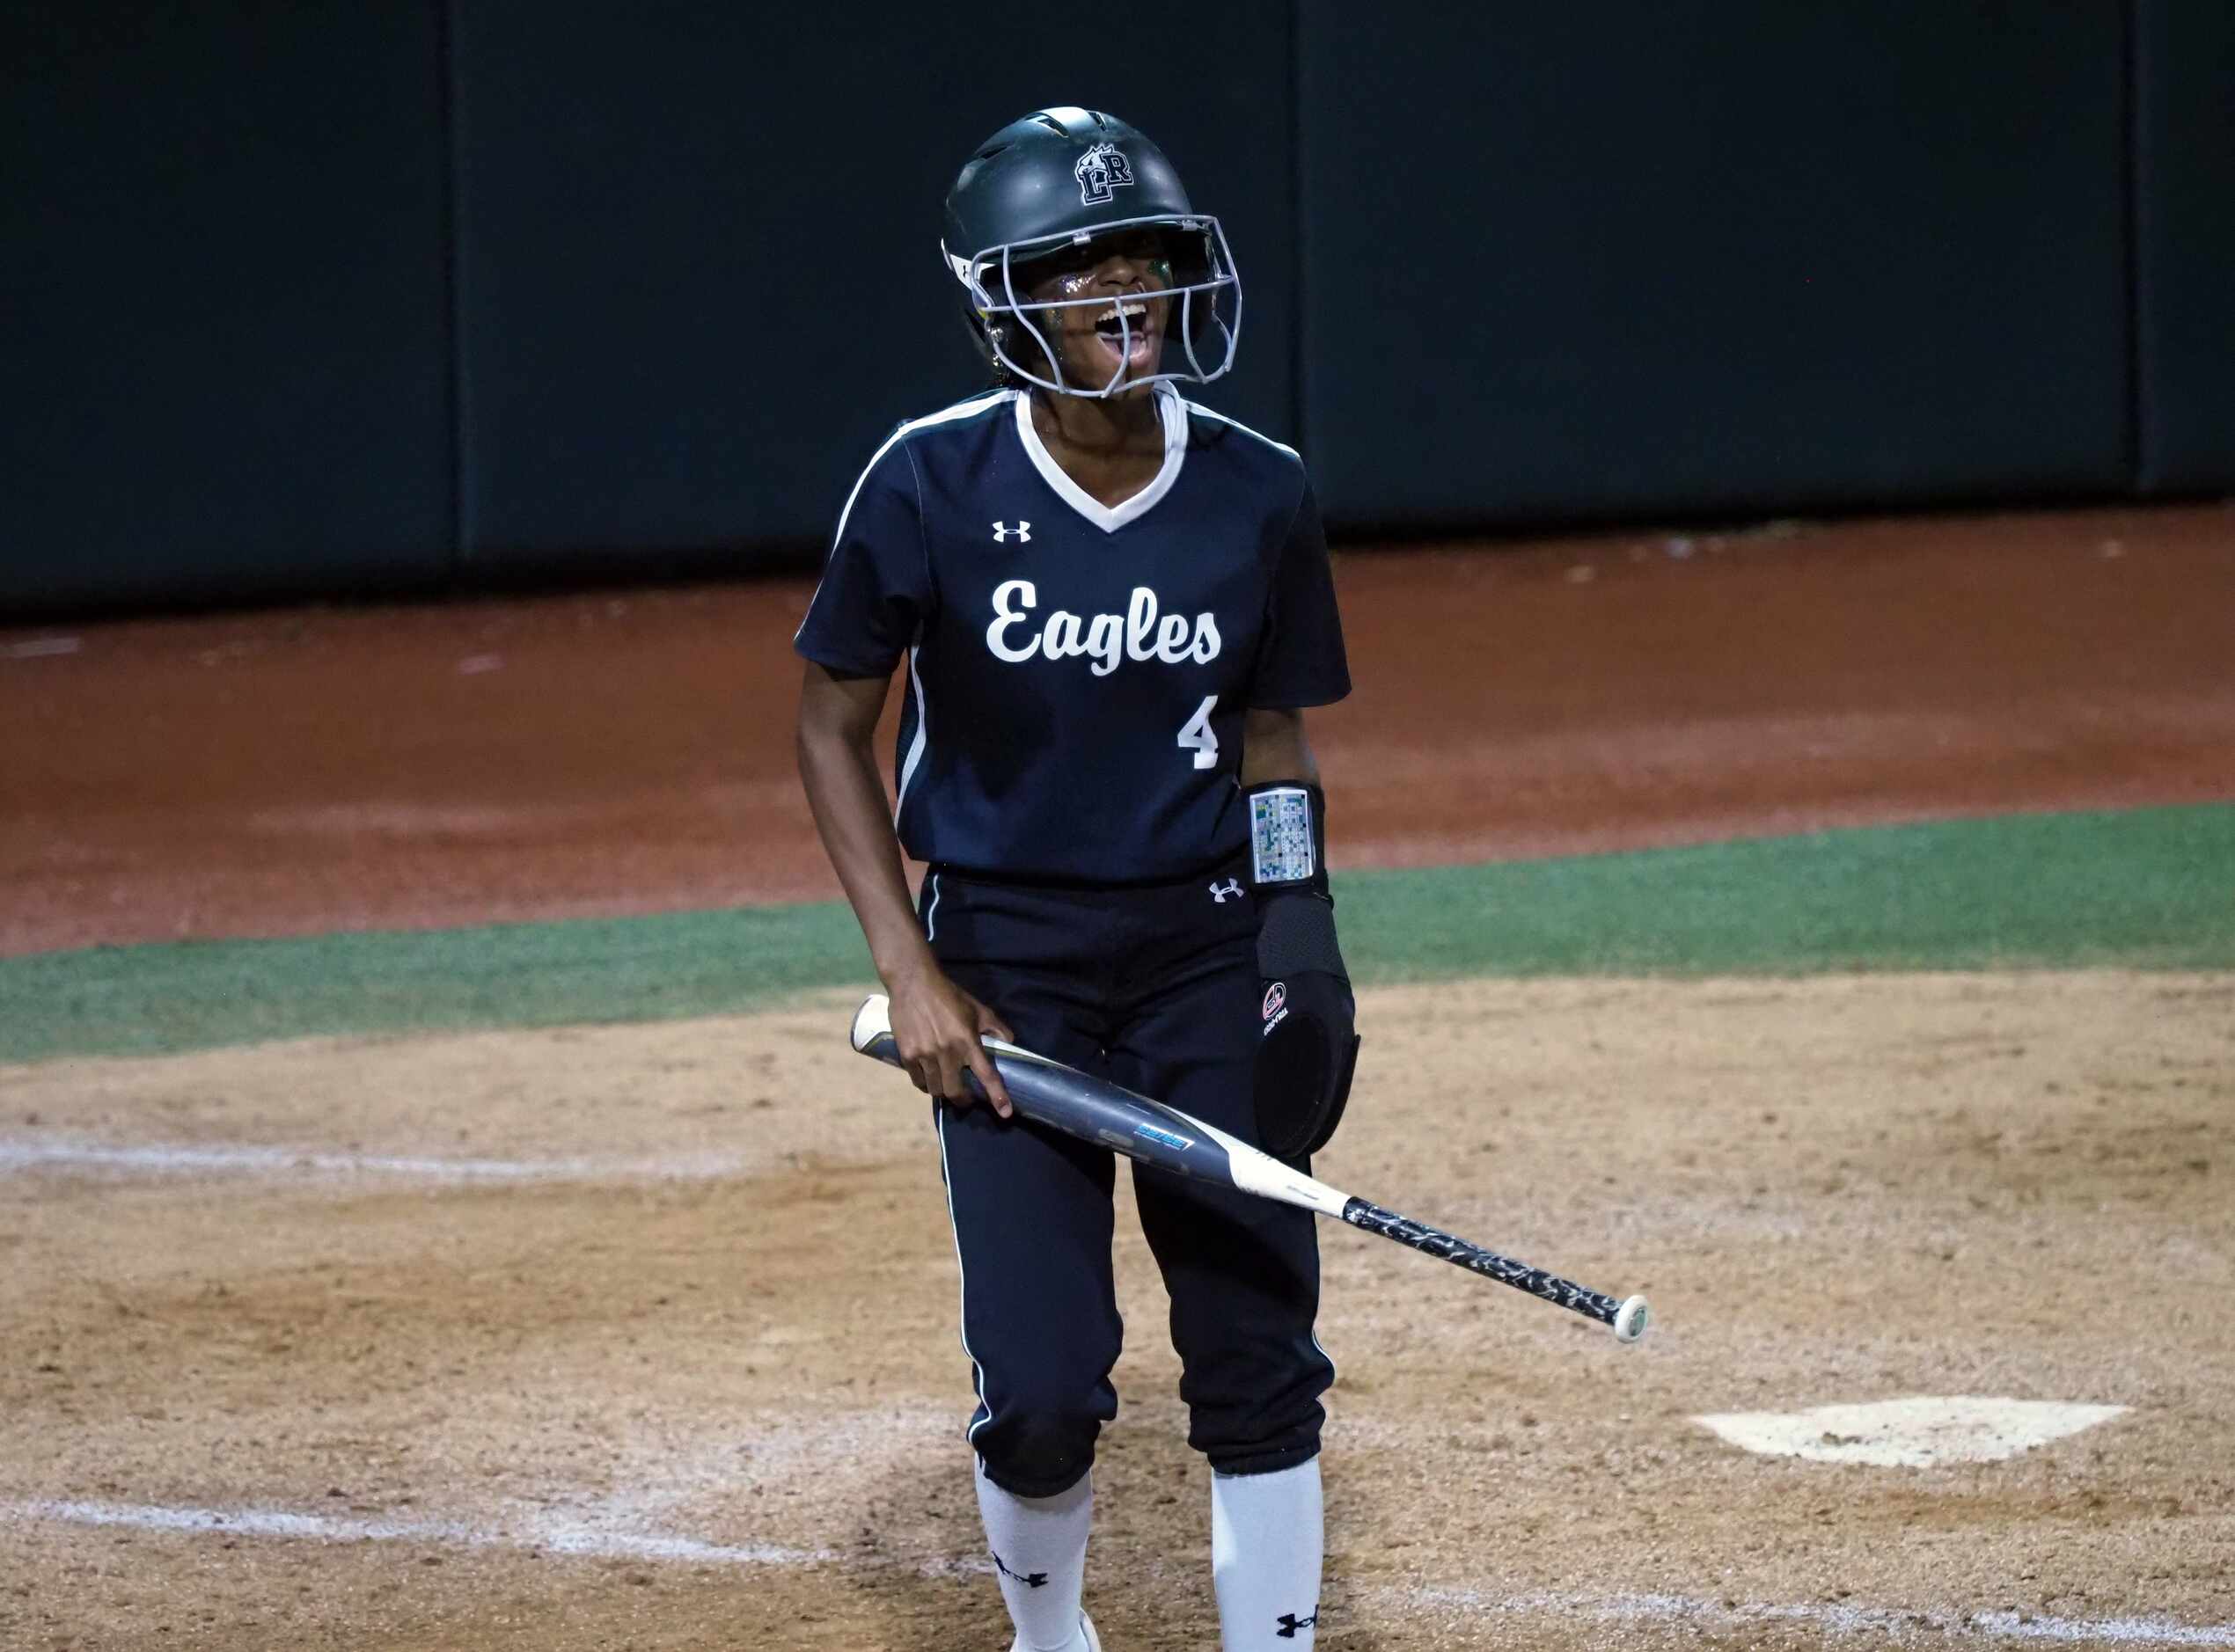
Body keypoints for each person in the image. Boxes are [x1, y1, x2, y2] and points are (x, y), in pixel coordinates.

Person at [794, 106, 1359, 1652]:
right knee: (1042, 1392)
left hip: (1204, 956)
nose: (1127, 293)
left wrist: (1301, 932)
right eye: (1081, 268)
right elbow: (833, 725)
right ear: (1004, 299)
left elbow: (1270, 725)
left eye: (1149, 261)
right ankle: (1051, 1637)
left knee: (1256, 1351)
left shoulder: (1260, 488)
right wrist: (909, 968)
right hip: (1006, 976)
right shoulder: (924, 482)